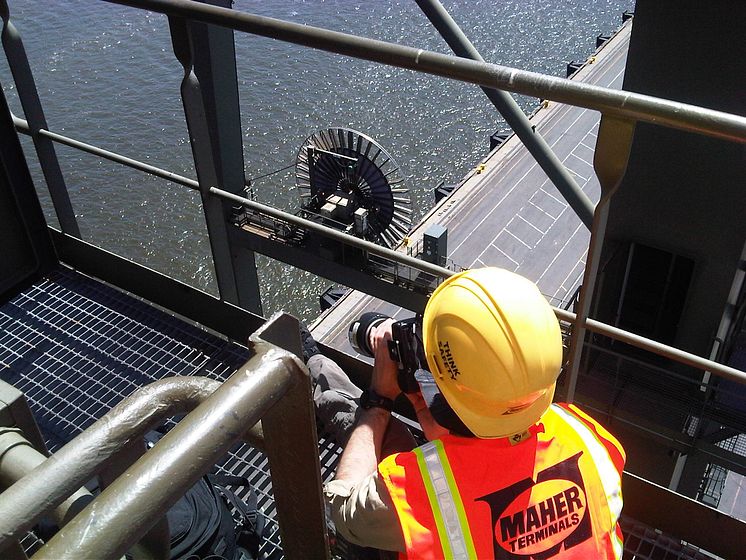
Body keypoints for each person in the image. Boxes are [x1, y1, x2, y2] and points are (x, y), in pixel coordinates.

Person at [305, 267, 625, 559]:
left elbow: (344, 512)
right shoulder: (585, 433)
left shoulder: (420, 488)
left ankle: (312, 365)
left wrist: (380, 400)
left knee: (385, 436)